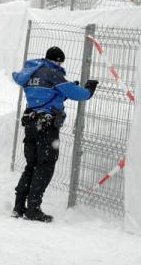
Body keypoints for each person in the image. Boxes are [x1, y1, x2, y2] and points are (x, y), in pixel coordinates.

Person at [11, 46, 97, 222]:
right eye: (60, 61)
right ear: (57, 60)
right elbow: (77, 94)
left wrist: (64, 90)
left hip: (31, 123)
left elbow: (48, 94)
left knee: (31, 165)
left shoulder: (32, 72)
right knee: (45, 166)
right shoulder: (52, 73)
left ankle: (19, 206)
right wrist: (88, 90)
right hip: (46, 127)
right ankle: (33, 208)